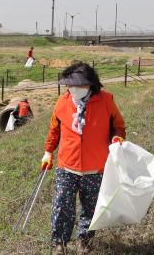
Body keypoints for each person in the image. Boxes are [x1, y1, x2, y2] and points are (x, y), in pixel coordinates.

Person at [39, 62, 126, 255]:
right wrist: (48, 152)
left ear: (90, 84)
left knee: (91, 207)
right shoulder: (62, 102)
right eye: (70, 85)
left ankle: (84, 240)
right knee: (62, 204)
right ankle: (60, 243)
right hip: (66, 166)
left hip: (96, 167)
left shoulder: (106, 101)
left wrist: (117, 136)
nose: (74, 89)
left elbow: (119, 126)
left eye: (79, 85)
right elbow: (54, 130)